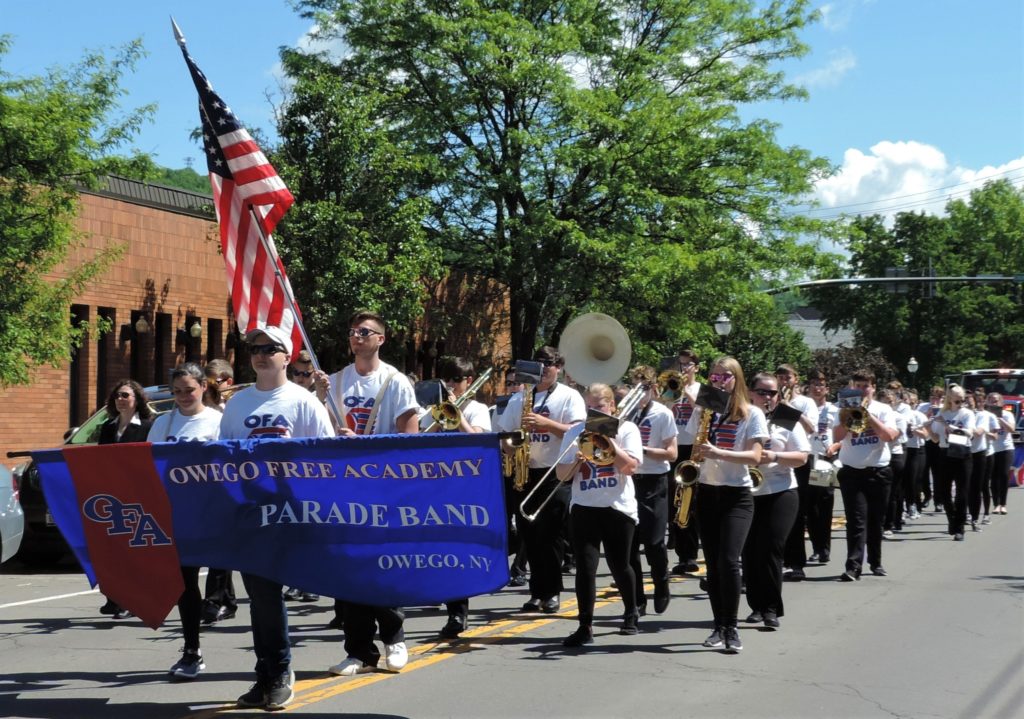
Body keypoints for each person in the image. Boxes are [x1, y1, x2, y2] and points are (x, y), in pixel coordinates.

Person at [221, 326, 334, 709]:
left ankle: (282, 670)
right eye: (254, 348)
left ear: (288, 357)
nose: (261, 354)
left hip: (290, 513)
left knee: (269, 595)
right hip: (251, 512)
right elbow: (225, 460)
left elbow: (325, 459)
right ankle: (266, 673)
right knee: (260, 597)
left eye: (271, 348)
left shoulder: (303, 402)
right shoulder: (237, 404)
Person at [314, 310, 419, 677]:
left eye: (364, 331)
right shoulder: (337, 381)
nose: (356, 337)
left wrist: (365, 443)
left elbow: (411, 440)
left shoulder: (396, 381)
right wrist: (320, 399)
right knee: (349, 569)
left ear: (381, 339)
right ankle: (358, 650)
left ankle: (394, 636)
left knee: (382, 564)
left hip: (385, 486)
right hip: (345, 488)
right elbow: (326, 435)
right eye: (352, 331)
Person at [493, 346, 586, 616]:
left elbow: (578, 432)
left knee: (551, 535)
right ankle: (537, 592)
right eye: (539, 364)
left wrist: (547, 424)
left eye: (549, 364)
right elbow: (504, 434)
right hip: (525, 471)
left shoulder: (570, 396)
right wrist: (510, 446)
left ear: (559, 367)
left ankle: (552, 591)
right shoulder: (520, 398)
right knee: (529, 535)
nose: (544, 369)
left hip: (554, 472)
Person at [147, 363, 224, 680]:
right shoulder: (163, 423)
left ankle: (271, 660)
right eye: (177, 391)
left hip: (214, 512)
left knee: (259, 582)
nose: (183, 396)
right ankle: (192, 650)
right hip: (178, 515)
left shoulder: (219, 421)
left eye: (189, 390)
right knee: (185, 583)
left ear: (203, 386)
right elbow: (147, 463)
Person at [688, 356, 768, 654]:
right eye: (714, 376)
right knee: (713, 564)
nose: (719, 380)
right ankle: (718, 625)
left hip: (737, 494)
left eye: (725, 376)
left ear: (736, 379)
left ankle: (732, 628)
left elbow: (755, 457)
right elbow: (697, 448)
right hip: (708, 491)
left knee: (729, 560)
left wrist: (717, 452)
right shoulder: (706, 410)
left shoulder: (752, 413)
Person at [557, 383, 643, 647]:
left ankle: (631, 610)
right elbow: (561, 476)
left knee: (620, 564)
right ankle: (585, 625)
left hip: (617, 507)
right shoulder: (574, 431)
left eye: (599, 407)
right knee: (585, 567)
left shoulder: (627, 429)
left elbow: (631, 468)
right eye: (590, 408)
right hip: (584, 506)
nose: (593, 412)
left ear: (612, 407)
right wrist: (576, 461)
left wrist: (609, 443)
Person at [424, 356, 492, 638]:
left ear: (469, 382)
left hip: (463, 487)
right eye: (448, 380)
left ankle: (457, 613)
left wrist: (456, 412)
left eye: (457, 380)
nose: (452, 385)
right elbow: (421, 436)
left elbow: (477, 441)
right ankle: (439, 592)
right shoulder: (432, 410)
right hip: (434, 484)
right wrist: (439, 414)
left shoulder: (478, 409)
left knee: (456, 551)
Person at [744, 372, 809, 630]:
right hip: (747, 490)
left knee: (771, 548)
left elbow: (802, 457)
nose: (768, 397)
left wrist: (772, 456)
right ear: (751, 392)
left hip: (781, 489)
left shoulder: (786, 418)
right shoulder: (743, 417)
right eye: (762, 392)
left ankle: (771, 608)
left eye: (772, 392)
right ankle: (756, 606)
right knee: (750, 551)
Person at [829, 370, 900, 580]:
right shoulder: (842, 409)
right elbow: (837, 436)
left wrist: (868, 415)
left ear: (873, 387)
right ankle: (853, 566)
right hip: (852, 472)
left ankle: (875, 562)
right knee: (856, 520)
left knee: (876, 520)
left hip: (879, 470)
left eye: (865, 386)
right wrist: (851, 413)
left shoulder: (884, 409)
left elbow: (888, 436)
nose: (861, 390)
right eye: (857, 386)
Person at [96, 379, 154, 620]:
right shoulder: (108, 427)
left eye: (125, 395)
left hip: (138, 495)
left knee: (136, 550)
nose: (121, 399)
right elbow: (99, 460)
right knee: (115, 550)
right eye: (117, 395)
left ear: (137, 399)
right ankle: (116, 599)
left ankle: (136, 598)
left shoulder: (149, 426)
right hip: (113, 496)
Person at [624, 366, 677, 616]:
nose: (639, 392)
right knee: (630, 544)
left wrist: (640, 449)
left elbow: (672, 453)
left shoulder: (662, 414)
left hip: (655, 480)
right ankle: (637, 598)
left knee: (654, 541)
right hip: (629, 479)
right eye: (635, 386)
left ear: (654, 388)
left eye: (643, 387)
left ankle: (661, 582)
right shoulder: (625, 412)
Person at [200, 359, 239, 624]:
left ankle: (214, 601)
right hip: (204, 487)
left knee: (220, 547)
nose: (209, 386)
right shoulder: (204, 410)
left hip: (228, 486)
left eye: (213, 381)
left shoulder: (233, 409)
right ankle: (227, 601)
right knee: (218, 547)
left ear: (227, 381)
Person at [776, 365, 819, 582]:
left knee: (796, 512)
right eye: (780, 376)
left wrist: (788, 408)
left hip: (800, 456)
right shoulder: (769, 400)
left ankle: (797, 563)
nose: (784, 380)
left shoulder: (805, 402)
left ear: (795, 379)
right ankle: (779, 560)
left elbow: (811, 428)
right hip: (776, 458)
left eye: (788, 376)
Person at [667, 349, 702, 575]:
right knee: (675, 500)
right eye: (681, 365)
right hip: (674, 446)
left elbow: (701, 411)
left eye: (687, 365)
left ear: (696, 368)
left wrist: (686, 391)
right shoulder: (672, 388)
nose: (683, 369)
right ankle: (682, 555)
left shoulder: (703, 389)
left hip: (693, 448)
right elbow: (663, 411)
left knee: (691, 501)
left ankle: (691, 553)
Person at [930, 384, 975, 541]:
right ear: (949, 398)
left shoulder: (967, 413)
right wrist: (928, 426)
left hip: (962, 453)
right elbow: (935, 438)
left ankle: (960, 527)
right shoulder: (943, 413)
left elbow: (969, 433)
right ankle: (952, 519)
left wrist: (948, 425)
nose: (960, 402)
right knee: (943, 491)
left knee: (962, 492)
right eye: (957, 399)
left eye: (962, 399)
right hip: (945, 453)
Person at [498, 368, 530, 587]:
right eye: (508, 383)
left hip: (525, 467)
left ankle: (519, 568)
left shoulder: (525, 404)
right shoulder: (497, 408)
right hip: (503, 468)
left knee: (523, 520)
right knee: (503, 522)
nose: (511, 387)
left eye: (515, 383)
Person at [805, 369, 838, 564]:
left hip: (825, 458)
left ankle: (824, 548)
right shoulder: (803, 406)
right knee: (810, 506)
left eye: (821, 385)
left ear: (827, 389)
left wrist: (836, 446)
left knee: (824, 503)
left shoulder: (834, 409)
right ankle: (816, 547)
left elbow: (843, 435)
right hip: (806, 456)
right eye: (814, 385)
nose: (817, 389)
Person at [879, 388, 908, 537]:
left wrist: (882, 432)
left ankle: (889, 523)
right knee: (879, 493)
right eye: (884, 401)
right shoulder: (876, 415)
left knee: (892, 493)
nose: (888, 404)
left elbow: (895, 436)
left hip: (894, 455)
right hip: (879, 456)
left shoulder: (898, 417)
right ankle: (879, 522)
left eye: (890, 401)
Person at [968, 394, 998, 529]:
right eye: (976, 401)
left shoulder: (988, 415)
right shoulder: (967, 415)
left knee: (983, 485)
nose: (978, 404)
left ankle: (986, 513)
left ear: (983, 402)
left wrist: (985, 432)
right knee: (970, 485)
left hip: (986, 453)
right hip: (969, 452)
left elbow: (995, 436)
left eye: (980, 401)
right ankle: (970, 514)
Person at [902, 390, 930, 520]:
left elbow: (926, 435)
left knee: (914, 480)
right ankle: (902, 507)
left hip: (916, 449)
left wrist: (914, 429)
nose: (907, 403)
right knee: (901, 481)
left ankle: (914, 505)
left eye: (909, 401)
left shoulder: (918, 415)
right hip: (901, 449)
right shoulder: (896, 414)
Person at [986, 393, 1015, 515]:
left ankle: (1003, 504)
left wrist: (1001, 420)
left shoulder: (1007, 414)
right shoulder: (986, 416)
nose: (994, 403)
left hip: (1005, 448)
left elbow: (1012, 430)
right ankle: (996, 504)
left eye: (996, 401)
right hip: (991, 449)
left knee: (1003, 475)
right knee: (993, 477)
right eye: (991, 401)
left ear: (1001, 402)